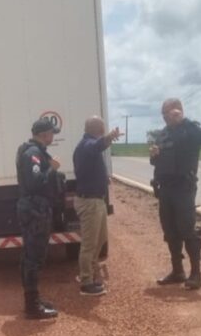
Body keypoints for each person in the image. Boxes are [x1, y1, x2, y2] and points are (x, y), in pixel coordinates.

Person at [149, 98, 201, 290]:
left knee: (187, 230)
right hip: (165, 188)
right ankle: (177, 271)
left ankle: (196, 274)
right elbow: (157, 162)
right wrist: (154, 156)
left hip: (183, 188)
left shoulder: (190, 130)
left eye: (167, 113)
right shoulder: (163, 134)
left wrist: (183, 121)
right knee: (170, 231)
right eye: (163, 114)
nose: (165, 117)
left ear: (177, 111)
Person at [16, 119, 62, 320]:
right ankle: (32, 307)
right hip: (35, 209)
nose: (53, 137)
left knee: (32, 256)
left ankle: (33, 300)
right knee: (34, 257)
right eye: (52, 133)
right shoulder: (33, 154)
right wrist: (52, 168)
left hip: (35, 208)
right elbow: (35, 182)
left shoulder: (34, 151)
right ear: (44, 134)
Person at [73, 117, 122, 296]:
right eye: (102, 127)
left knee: (100, 240)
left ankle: (89, 273)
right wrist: (109, 137)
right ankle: (86, 283)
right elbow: (96, 147)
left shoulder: (89, 145)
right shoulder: (87, 145)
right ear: (97, 129)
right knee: (89, 244)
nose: (104, 129)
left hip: (97, 200)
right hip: (90, 202)